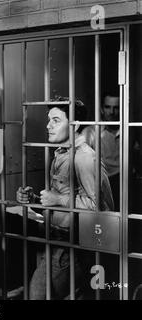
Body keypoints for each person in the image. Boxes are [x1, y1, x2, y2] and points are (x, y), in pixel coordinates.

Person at [16, 98, 114, 300]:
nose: (48, 125)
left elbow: (100, 208)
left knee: (37, 296)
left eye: (56, 120)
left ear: (75, 125)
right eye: (48, 119)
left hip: (70, 247)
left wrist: (58, 199)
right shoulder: (62, 154)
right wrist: (34, 199)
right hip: (55, 241)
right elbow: (64, 201)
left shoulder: (84, 157)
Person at [83, 95, 120, 211]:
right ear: (102, 109)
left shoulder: (130, 131)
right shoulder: (90, 132)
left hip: (125, 184)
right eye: (108, 107)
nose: (112, 112)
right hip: (100, 185)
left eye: (116, 107)